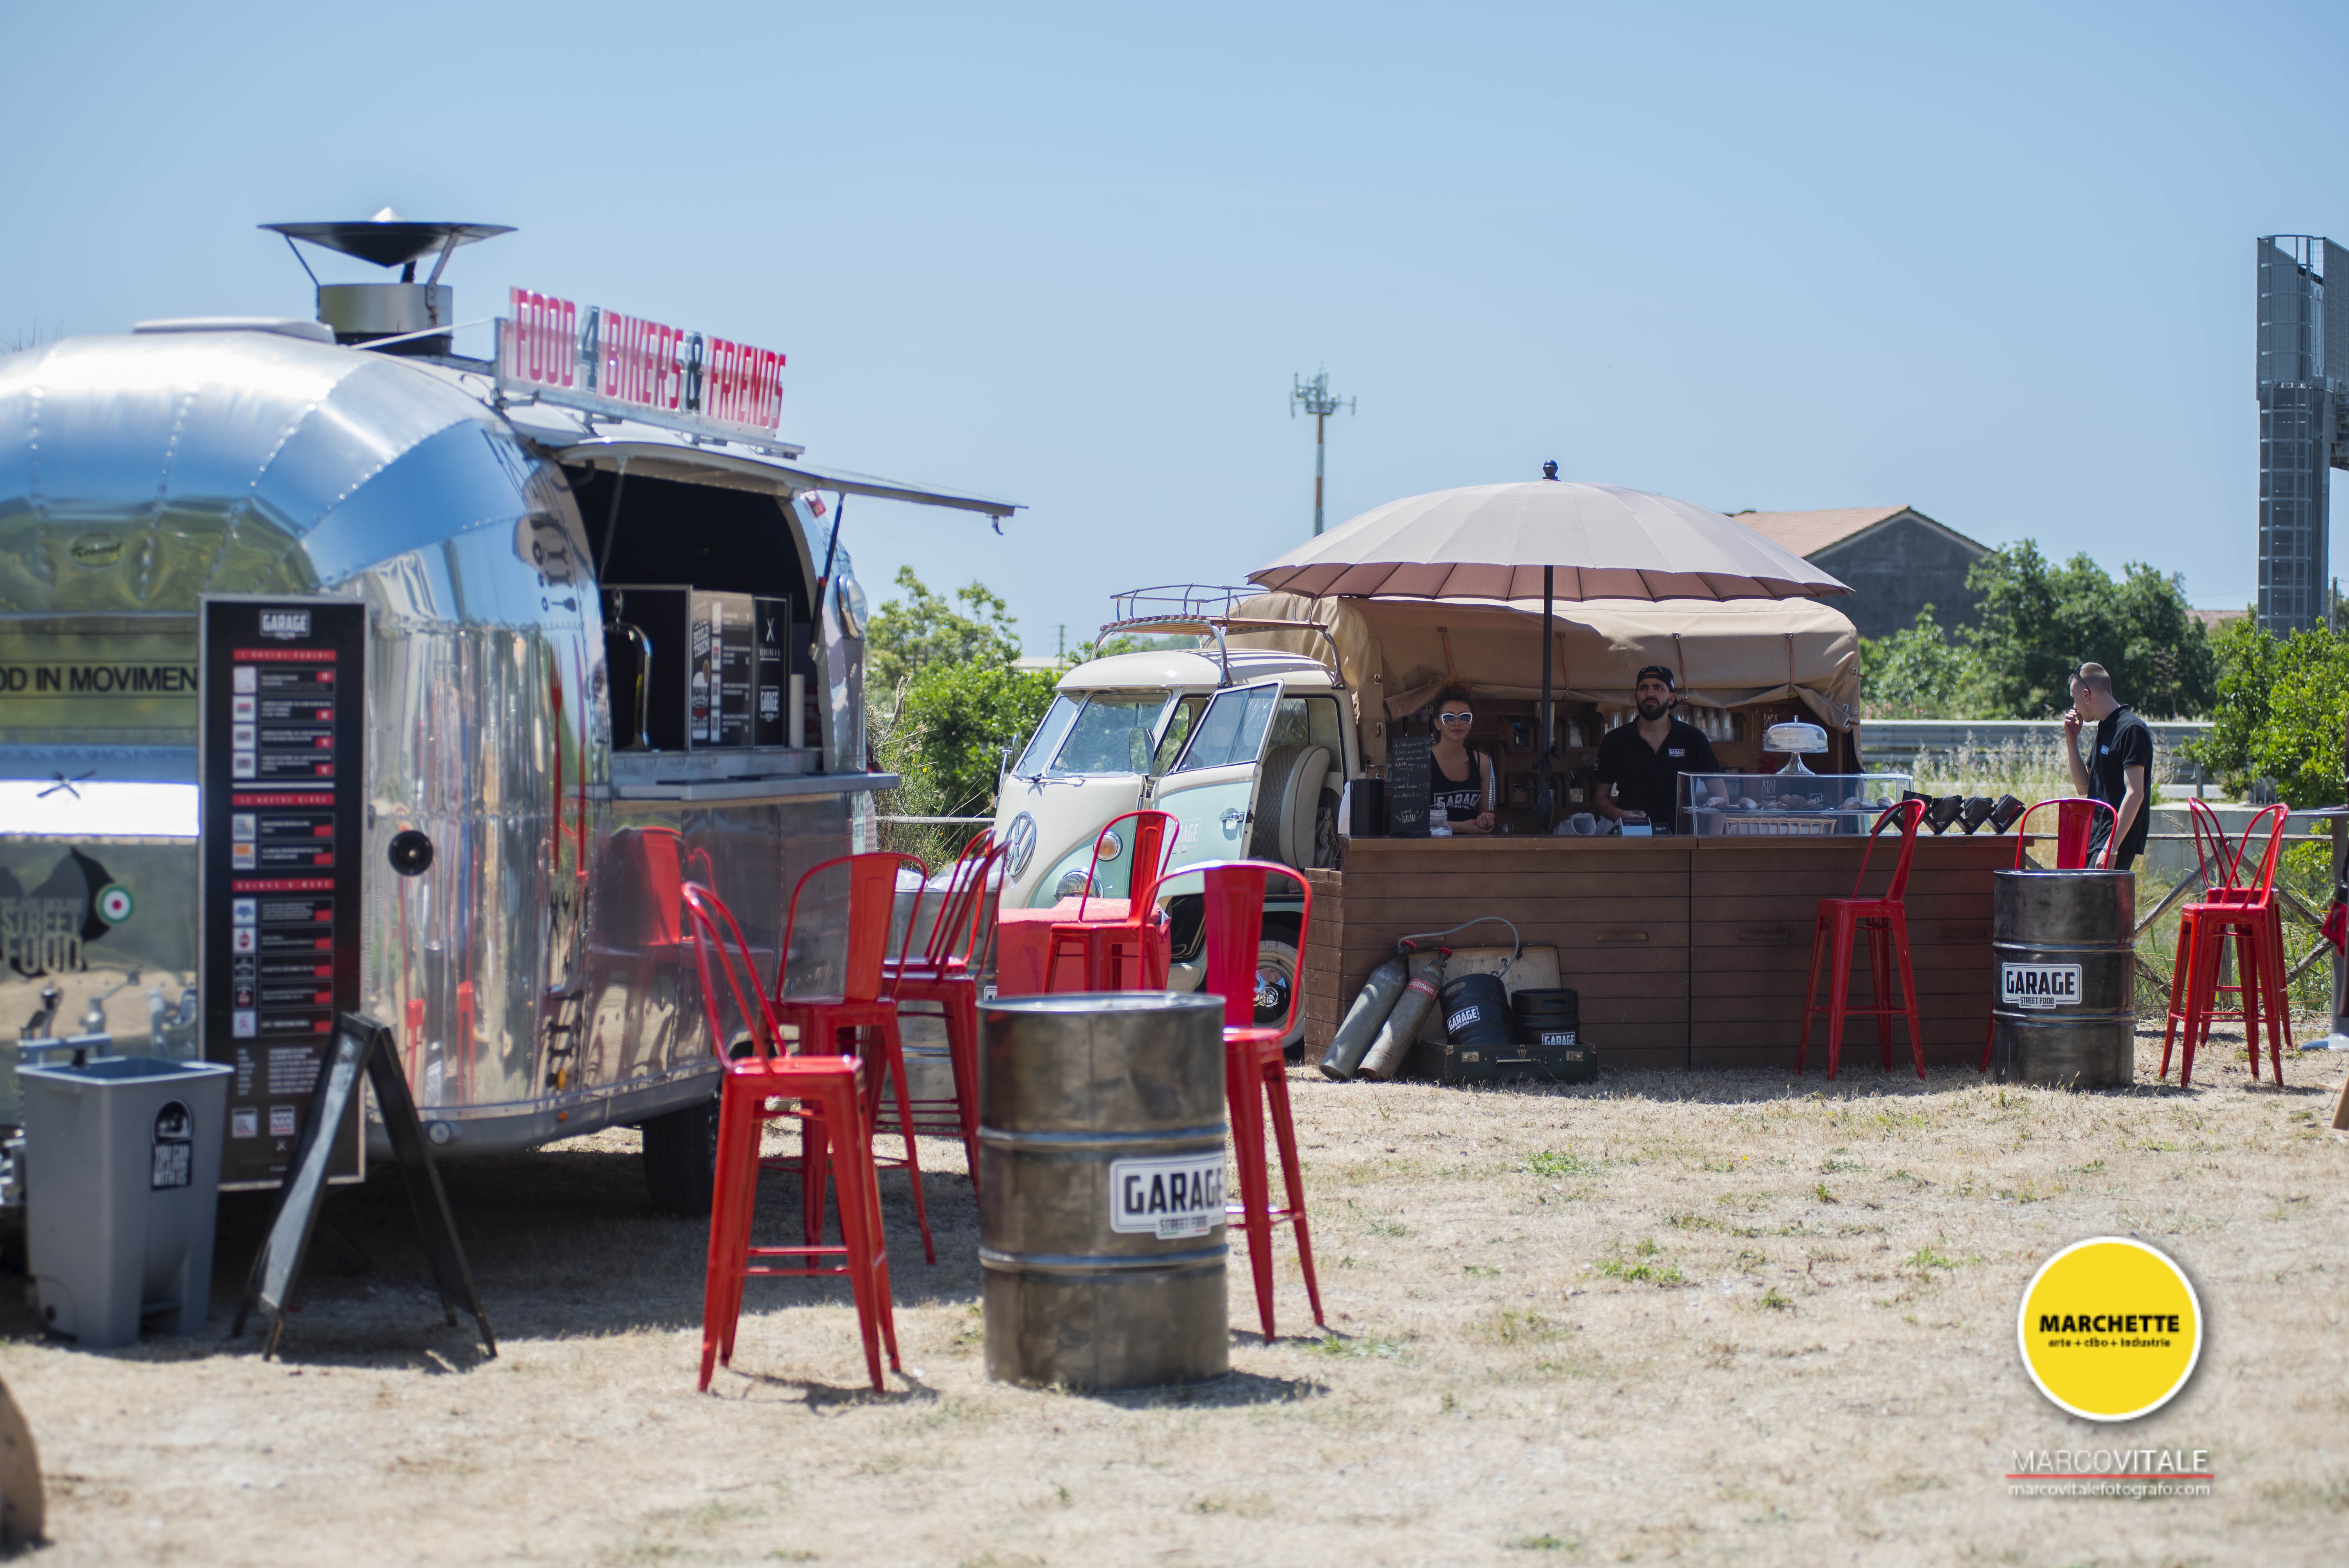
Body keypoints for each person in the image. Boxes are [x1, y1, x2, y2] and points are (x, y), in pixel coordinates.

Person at [1593, 665, 1719, 831]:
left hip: (1681, 839)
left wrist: (1710, 844)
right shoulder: (1615, 740)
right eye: (1644, 688)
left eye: (1658, 688)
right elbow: (1601, 798)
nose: (1650, 693)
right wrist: (1619, 815)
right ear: (1636, 696)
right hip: (1632, 836)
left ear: (1672, 698)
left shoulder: (1693, 739)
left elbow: (1720, 797)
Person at [2063, 662, 2151, 869]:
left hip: (2114, 842)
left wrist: (2111, 848)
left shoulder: (2132, 729)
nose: (2074, 708)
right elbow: (2084, 788)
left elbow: (2135, 793)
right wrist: (2071, 741)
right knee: (2087, 901)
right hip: (2096, 838)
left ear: (2086, 694)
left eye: (2075, 699)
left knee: (2100, 902)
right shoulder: (2105, 727)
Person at [1426, 682, 1496, 835]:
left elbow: (1482, 814)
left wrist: (1486, 821)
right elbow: (1413, 820)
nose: (1457, 723)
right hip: (1431, 851)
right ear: (1437, 723)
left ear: (1471, 723)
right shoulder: (1424, 761)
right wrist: (1461, 827)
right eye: (1449, 718)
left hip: (1471, 851)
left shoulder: (1482, 762)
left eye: (1465, 717)